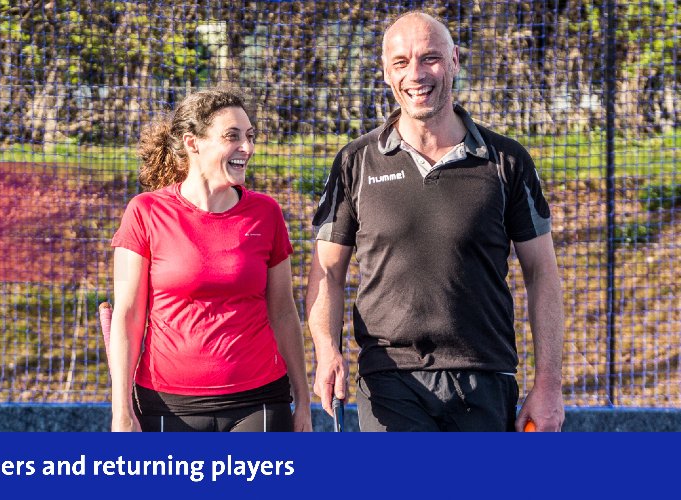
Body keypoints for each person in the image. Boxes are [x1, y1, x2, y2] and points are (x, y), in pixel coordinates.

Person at [306, 11, 565, 432]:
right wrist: (326, 350)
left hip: (485, 376)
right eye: (401, 62)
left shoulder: (507, 161)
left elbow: (542, 273)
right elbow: (327, 272)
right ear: (386, 72)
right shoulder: (356, 161)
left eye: (430, 58)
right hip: (390, 377)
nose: (416, 74)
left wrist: (549, 385)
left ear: (455, 60)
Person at [108, 89, 311, 432]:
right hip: (166, 405)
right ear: (193, 143)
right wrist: (121, 410)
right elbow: (128, 316)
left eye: (250, 136)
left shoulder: (266, 213)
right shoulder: (145, 212)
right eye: (232, 136)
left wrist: (303, 401)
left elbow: (283, 311)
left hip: (260, 400)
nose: (247, 148)